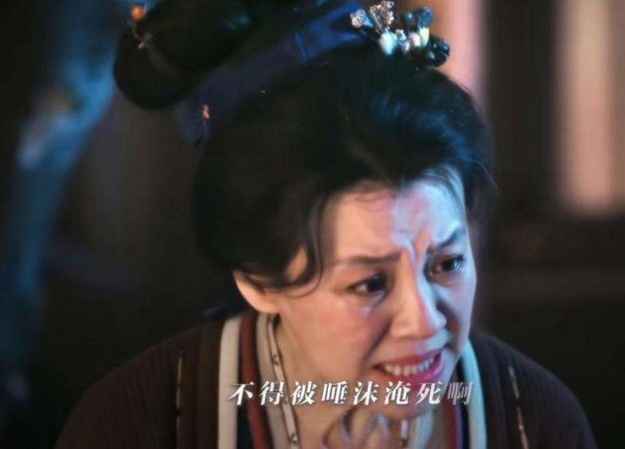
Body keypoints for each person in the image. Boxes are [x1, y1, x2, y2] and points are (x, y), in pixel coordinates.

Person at [55, 0, 597, 447]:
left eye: (448, 263)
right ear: (258, 279)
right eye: (369, 283)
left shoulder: (531, 420)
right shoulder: (143, 425)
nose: (424, 321)